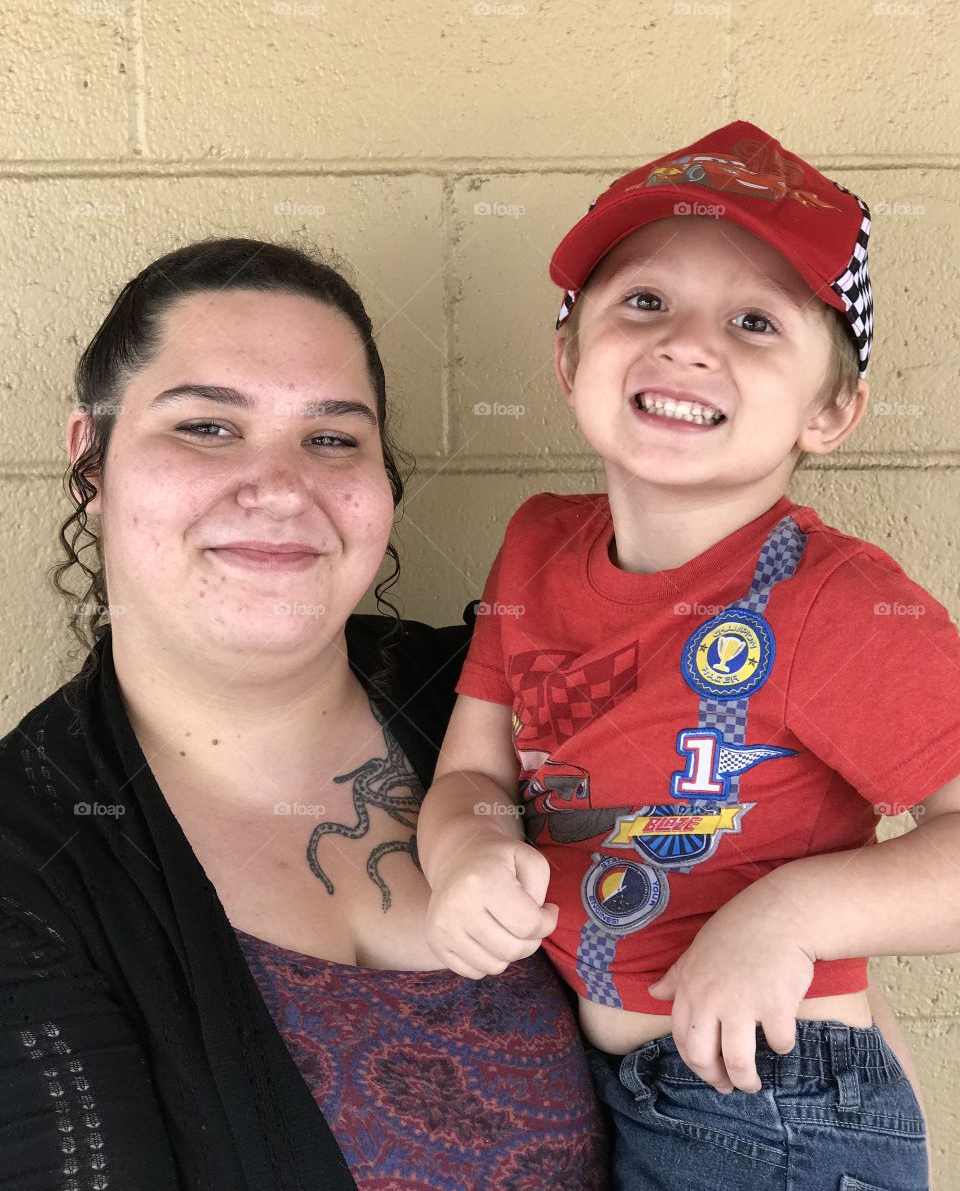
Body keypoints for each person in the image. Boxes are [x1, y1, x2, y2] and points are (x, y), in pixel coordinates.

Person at [0, 238, 609, 1190]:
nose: (282, 487)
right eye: (207, 426)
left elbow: (813, 1031)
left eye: (332, 438)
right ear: (92, 458)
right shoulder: (28, 859)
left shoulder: (522, 700)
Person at [419, 120, 960, 1190]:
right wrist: (464, 854)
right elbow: (474, 775)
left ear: (833, 409)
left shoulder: (836, 604)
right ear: (570, 357)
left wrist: (791, 912)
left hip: (775, 1103)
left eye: (756, 320)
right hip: (601, 1081)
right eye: (646, 301)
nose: (689, 342)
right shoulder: (534, 543)